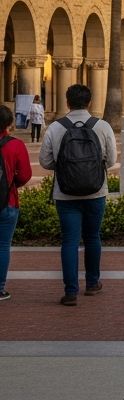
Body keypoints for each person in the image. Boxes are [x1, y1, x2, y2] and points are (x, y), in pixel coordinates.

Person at [39, 83, 117, 306]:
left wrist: (66, 167)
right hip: (96, 191)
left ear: (67, 102)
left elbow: (45, 161)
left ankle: (70, 291)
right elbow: (110, 161)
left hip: (65, 194)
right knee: (93, 237)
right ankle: (92, 284)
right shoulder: (102, 126)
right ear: (90, 102)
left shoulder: (55, 128)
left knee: (69, 241)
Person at [0, 104, 32, 301]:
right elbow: (26, 175)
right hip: (8, 202)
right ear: (9, 123)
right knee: (3, 245)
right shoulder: (16, 145)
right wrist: (10, 185)